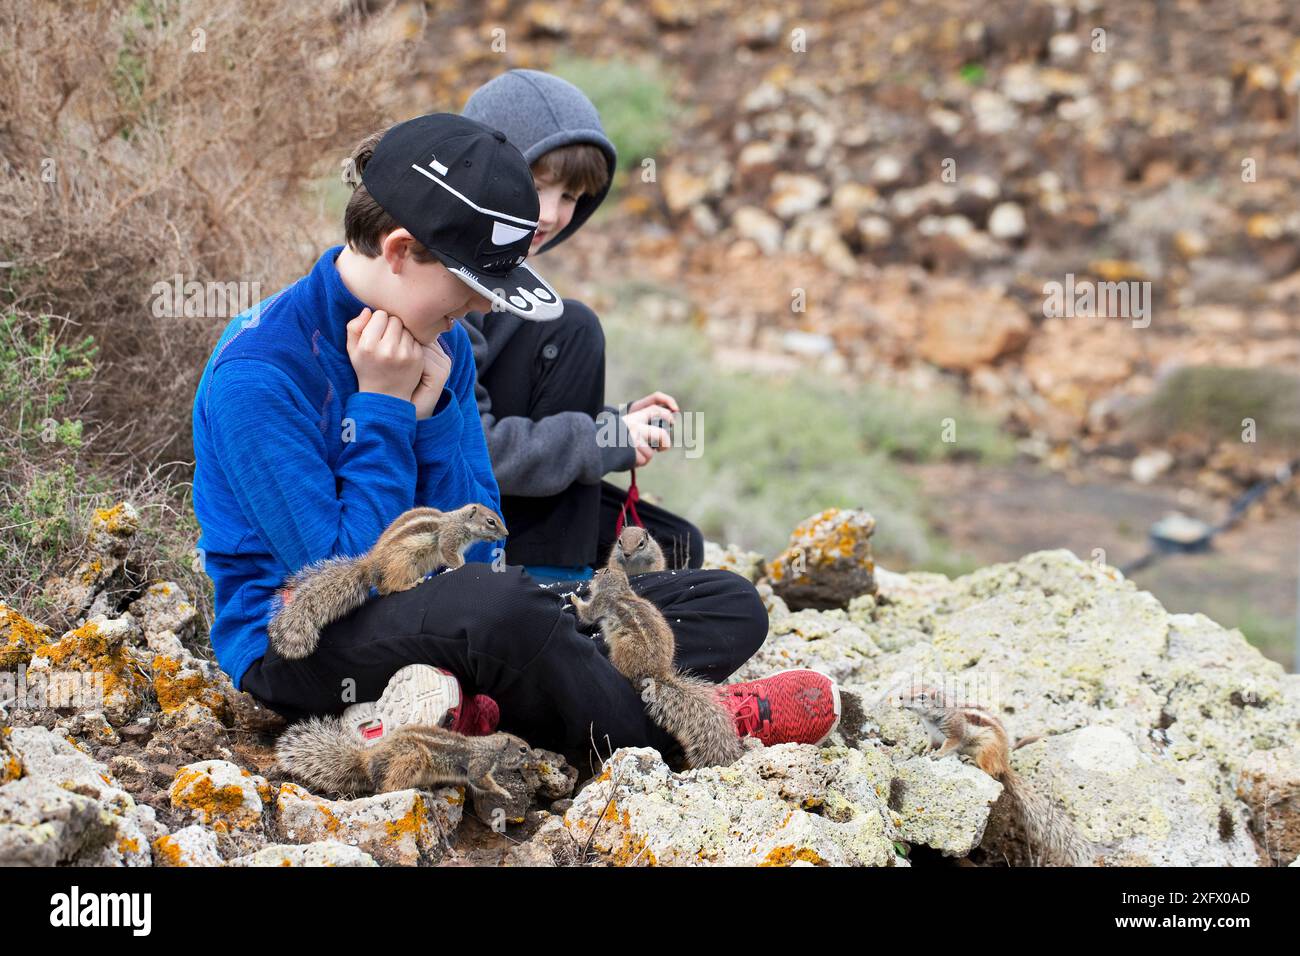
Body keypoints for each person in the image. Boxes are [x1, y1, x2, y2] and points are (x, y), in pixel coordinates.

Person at [191, 112, 840, 773]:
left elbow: (485, 541)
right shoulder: (260, 373)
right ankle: (694, 724)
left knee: (723, 599)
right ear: (398, 250)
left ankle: (471, 706)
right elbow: (344, 577)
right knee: (500, 610)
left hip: (447, 617)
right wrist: (383, 410)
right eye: (474, 284)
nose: (483, 309)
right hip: (299, 644)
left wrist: (439, 415)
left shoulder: (437, 342)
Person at [461, 70, 704, 583]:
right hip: (450, 513)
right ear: (482, 171)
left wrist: (618, 425)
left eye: (571, 196)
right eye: (536, 183)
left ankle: (560, 580)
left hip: (508, 510)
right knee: (574, 325)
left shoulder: (506, 279)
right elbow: (468, 448)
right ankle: (554, 586)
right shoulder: (439, 283)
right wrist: (603, 439)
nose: (551, 214)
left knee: (679, 548)